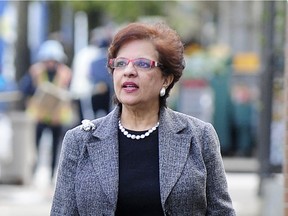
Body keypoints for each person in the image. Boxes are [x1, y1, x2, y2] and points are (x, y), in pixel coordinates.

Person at [51, 22, 236, 215]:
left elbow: (221, 212)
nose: (129, 71)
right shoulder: (79, 141)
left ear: (166, 78)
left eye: (142, 63)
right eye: (121, 63)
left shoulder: (199, 136)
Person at [19, 40, 72, 181]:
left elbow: (70, 93)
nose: (50, 63)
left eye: (53, 60)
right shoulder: (35, 71)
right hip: (39, 115)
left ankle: (51, 175)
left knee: (56, 146)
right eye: (47, 60)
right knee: (34, 145)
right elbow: (25, 90)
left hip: (56, 116)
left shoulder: (65, 73)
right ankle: (33, 171)